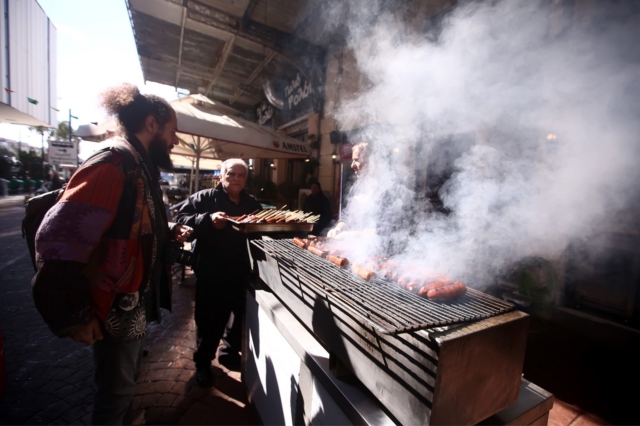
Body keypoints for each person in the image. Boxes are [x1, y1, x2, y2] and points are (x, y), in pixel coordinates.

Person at [31, 83, 193, 425]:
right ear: (152, 124)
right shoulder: (113, 163)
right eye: (172, 131)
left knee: (124, 384)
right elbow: (59, 241)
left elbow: (133, 223)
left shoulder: (137, 163)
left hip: (131, 304)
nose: (175, 141)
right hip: (113, 307)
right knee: (114, 392)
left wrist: (168, 232)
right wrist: (74, 313)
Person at [174, 159, 261, 388]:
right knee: (209, 321)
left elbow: (260, 230)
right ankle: (203, 362)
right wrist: (208, 221)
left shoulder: (251, 203)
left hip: (241, 270)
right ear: (221, 176)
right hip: (211, 271)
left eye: (241, 175)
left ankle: (229, 353)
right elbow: (180, 222)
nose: (236, 178)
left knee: (239, 317)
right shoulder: (204, 198)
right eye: (231, 174)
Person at [327, 142, 369, 239]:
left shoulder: (389, 190)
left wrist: (351, 235)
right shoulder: (357, 187)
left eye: (356, 160)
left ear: (371, 161)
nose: (352, 165)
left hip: (378, 252)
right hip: (353, 249)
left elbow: (387, 230)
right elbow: (347, 214)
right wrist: (337, 229)